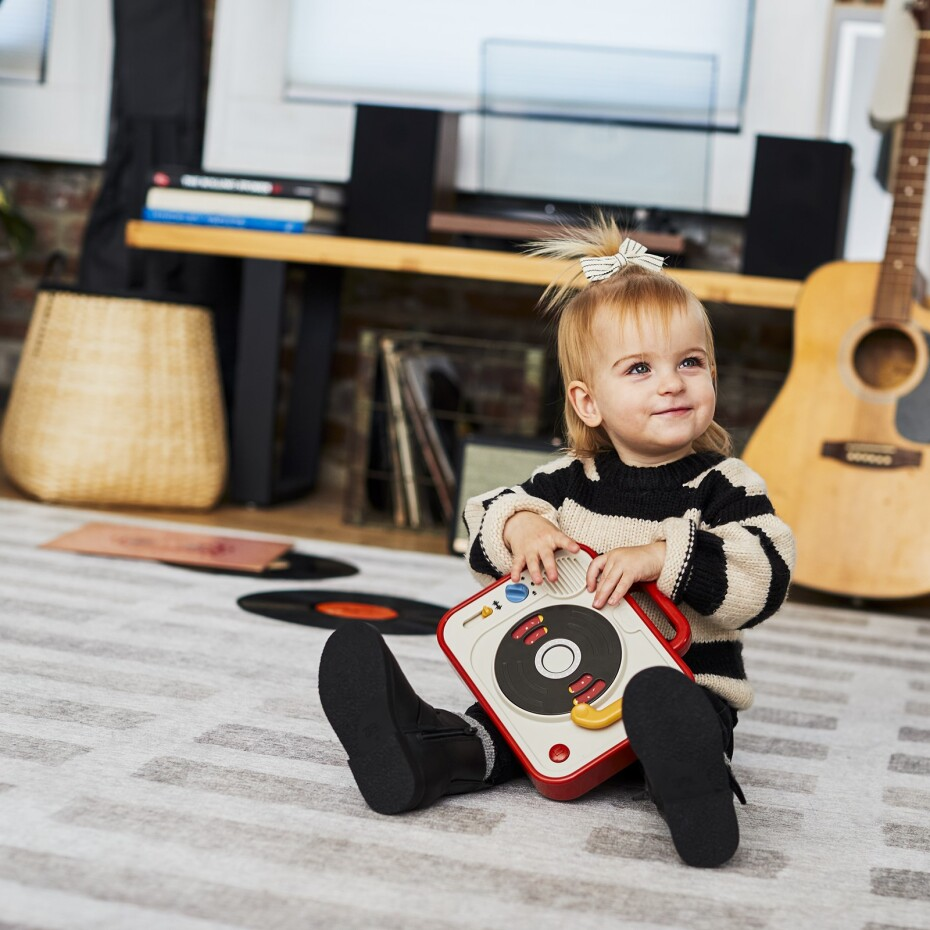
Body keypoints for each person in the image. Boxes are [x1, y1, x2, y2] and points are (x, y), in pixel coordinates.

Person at [319, 216, 795, 868]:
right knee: (504, 726)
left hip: (684, 683)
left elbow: (764, 572)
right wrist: (522, 525)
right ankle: (423, 751)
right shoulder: (562, 482)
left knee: (678, 716)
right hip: (558, 685)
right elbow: (481, 517)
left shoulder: (726, 485)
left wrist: (663, 556)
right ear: (588, 401)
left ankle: (688, 786)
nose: (671, 382)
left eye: (691, 362)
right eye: (639, 368)